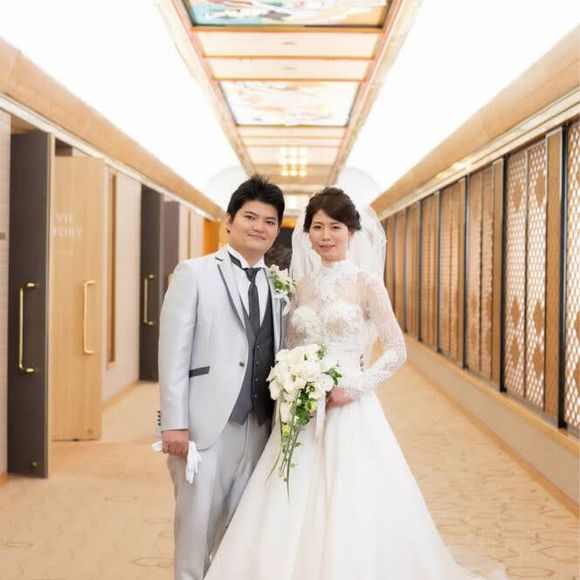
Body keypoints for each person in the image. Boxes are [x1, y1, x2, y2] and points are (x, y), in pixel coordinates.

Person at [205, 187, 506, 579]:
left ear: (351, 232)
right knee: (289, 491)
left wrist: (357, 386)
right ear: (307, 234)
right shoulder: (300, 286)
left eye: (335, 227)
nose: (326, 235)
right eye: (317, 227)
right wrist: (293, 380)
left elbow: (396, 350)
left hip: (350, 405)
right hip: (302, 407)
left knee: (352, 496)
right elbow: (290, 347)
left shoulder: (367, 283)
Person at [158, 174, 286, 580]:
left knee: (243, 530)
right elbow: (173, 351)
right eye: (250, 217)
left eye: (269, 221)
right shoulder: (193, 273)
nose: (259, 227)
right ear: (228, 220)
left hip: (262, 426)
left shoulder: (280, 284)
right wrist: (173, 421)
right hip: (205, 425)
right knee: (196, 527)